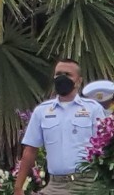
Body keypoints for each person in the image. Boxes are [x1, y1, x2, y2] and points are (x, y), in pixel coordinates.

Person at [14, 58, 106, 195]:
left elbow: (106, 147)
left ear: (79, 81)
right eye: (58, 74)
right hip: (56, 185)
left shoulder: (93, 109)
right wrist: (18, 187)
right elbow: (30, 150)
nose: (62, 78)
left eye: (68, 75)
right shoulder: (42, 111)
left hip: (87, 183)